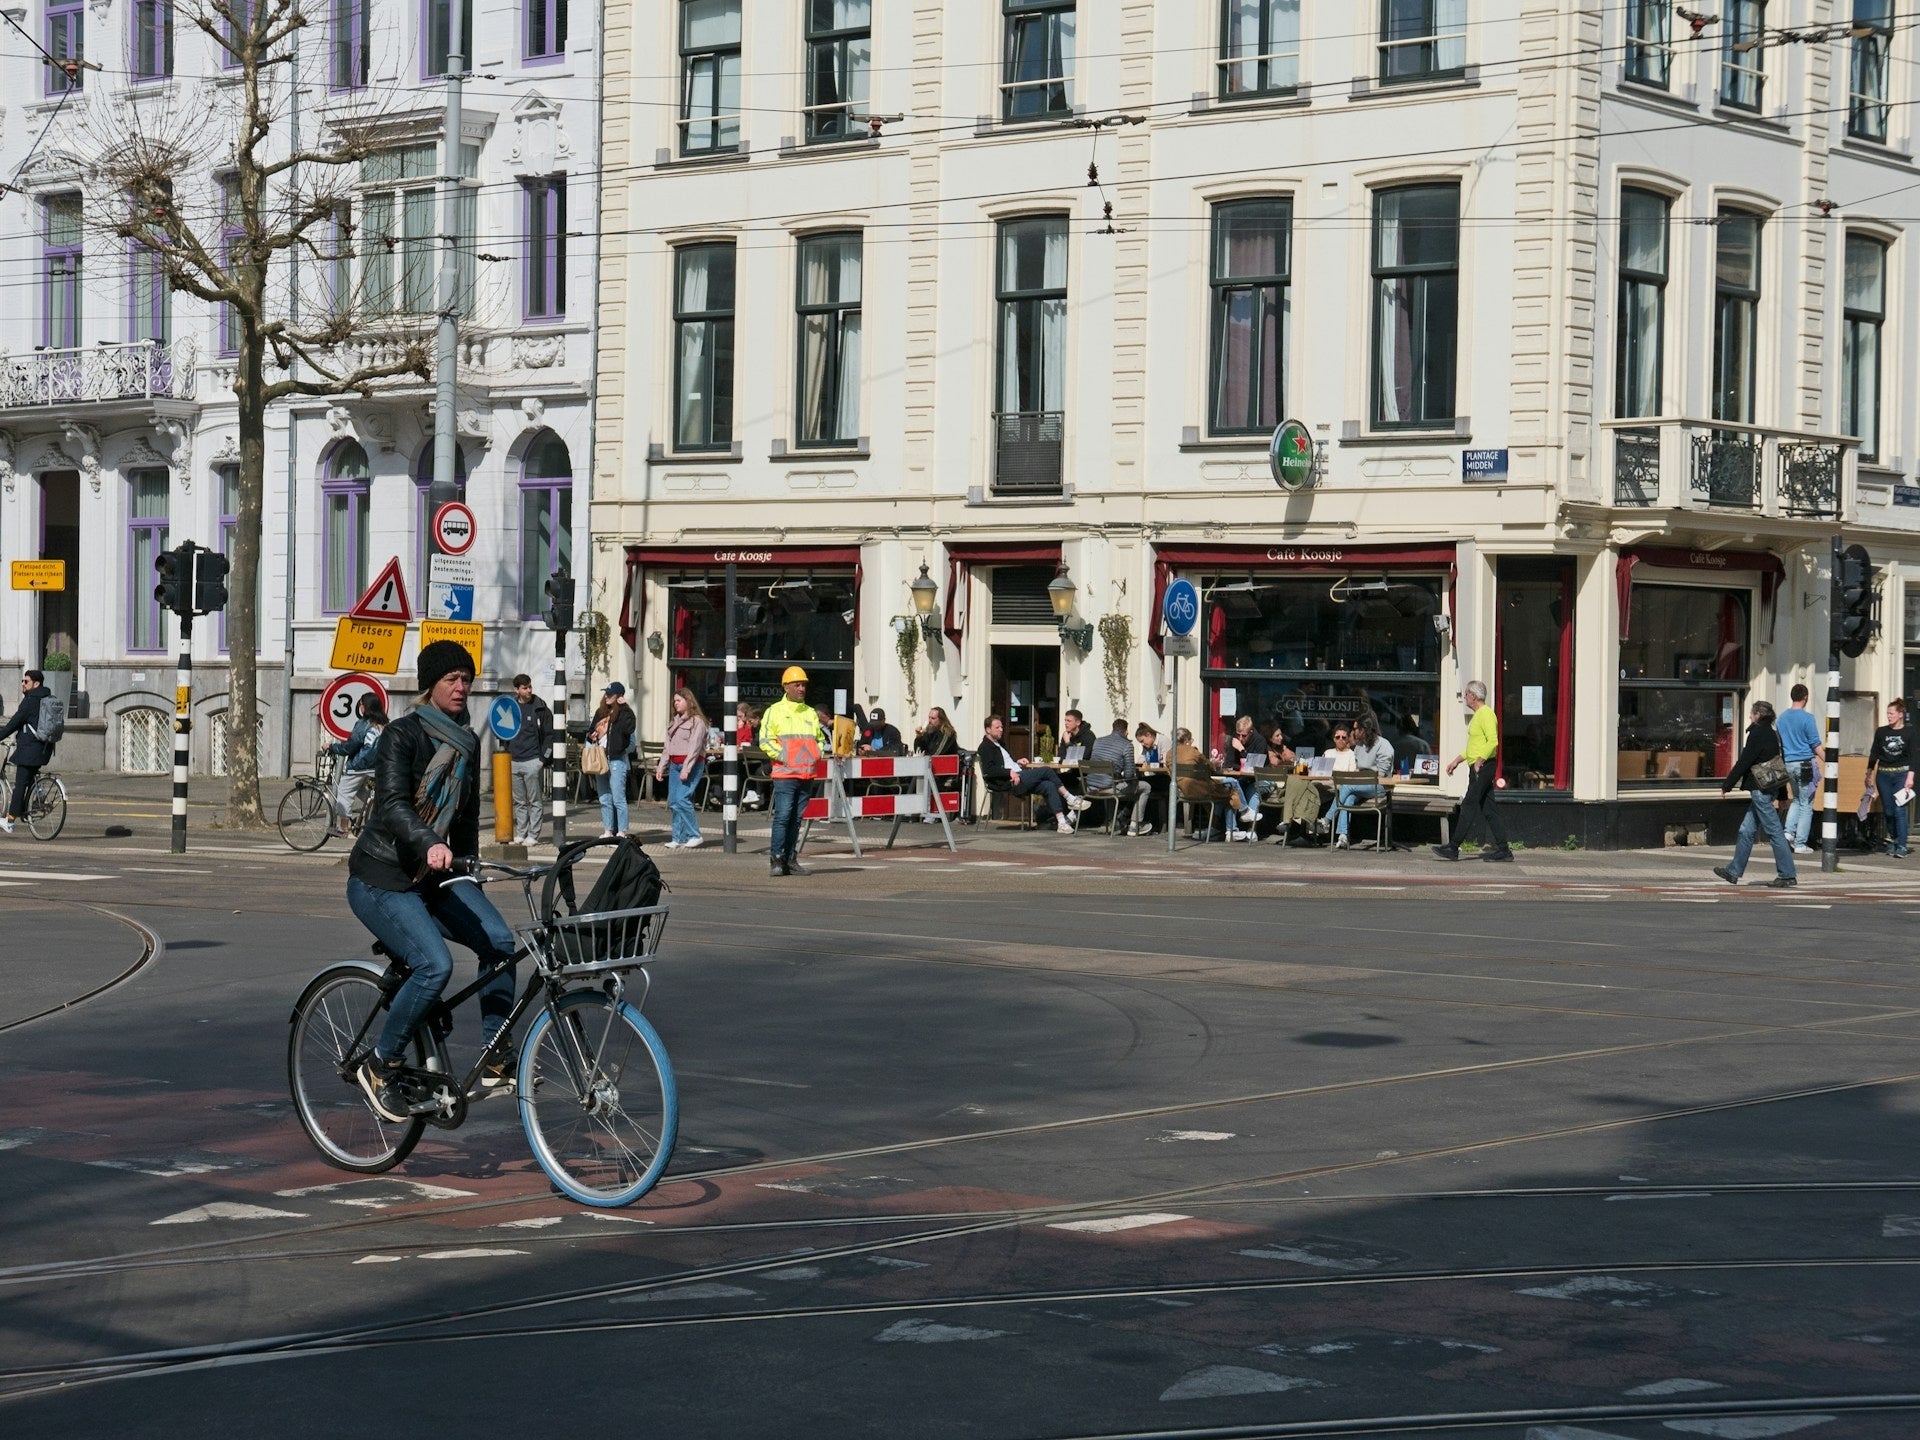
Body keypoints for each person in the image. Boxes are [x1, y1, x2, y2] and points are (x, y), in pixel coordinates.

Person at [346, 640, 519, 1120]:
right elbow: (394, 805)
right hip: (383, 878)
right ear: (431, 685)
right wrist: (429, 843)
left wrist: (473, 872)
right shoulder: (402, 734)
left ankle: (495, 1059)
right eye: (452, 679)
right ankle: (382, 1064)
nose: (462, 687)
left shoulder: (467, 739)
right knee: (434, 965)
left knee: (500, 941)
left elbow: (463, 820)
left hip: (437, 874)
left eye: (467, 679)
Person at [1714, 699, 1798, 888]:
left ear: (1758, 715)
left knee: (1775, 832)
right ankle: (1733, 871)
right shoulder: (1774, 735)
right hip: (1771, 789)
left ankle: (1787, 874)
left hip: (1760, 791)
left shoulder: (1757, 733)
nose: (1750, 716)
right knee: (1746, 830)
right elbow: (1778, 766)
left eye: (1751, 713)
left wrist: (1727, 785)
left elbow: (1744, 762)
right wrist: (1783, 795)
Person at [1434, 680, 1512, 862]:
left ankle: (1453, 847)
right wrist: (1457, 761)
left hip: (1483, 768)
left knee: (1469, 804)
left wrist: (1480, 761)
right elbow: (1473, 747)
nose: (1465, 697)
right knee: (1489, 809)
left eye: (1466, 694)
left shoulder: (1486, 714)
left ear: (1474, 696)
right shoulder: (1479, 715)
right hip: (1479, 766)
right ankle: (1504, 850)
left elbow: (1493, 742)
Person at [760, 665, 827, 877]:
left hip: (806, 774)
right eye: (797, 685)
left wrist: (817, 754)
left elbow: (820, 739)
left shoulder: (810, 713)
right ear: (786, 687)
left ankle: (790, 859)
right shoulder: (774, 712)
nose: (801, 688)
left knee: (796, 819)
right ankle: (777, 860)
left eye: (804, 685)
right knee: (783, 816)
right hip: (785, 774)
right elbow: (765, 741)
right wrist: (785, 757)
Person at [977, 714, 1090, 835]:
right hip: (1008, 781)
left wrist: (1017, 762)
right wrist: (1009, 772)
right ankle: (1070, 798)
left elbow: (1006, 762)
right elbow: (989, 770)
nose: (1001, 729)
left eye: (1002, 727)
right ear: (988, 730)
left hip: (1019, 775)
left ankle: (1062, 823)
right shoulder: (985, 747)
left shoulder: (1001, 744)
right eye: (997, 727)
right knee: (1046, 770)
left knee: (1049, 785)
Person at [1325, 709, 1396, 851]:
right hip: (1361, 785)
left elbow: (1382, 775)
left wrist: (1360, 780)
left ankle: (1327, 819)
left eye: (1356, 728)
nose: (1353, 731)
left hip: (1380, 787)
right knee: (1349, 798)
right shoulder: (1359, 746)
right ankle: (1343, 836)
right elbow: (1358, 769)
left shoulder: (1384, 745)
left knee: (1346, 786)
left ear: (1364, 729)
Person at [1172, 727, 1258, 841]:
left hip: (1182, 791)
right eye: (1191, 739)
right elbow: (1209, 766)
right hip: (1202, 789)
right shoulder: (1193, 752)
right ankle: (1242, 815)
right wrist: (1214, 763)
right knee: (1232, 783)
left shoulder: (1170, 754)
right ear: (1187, 740)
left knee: (1228, 790)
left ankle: (1219, 829)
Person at [0, 670, 56, 835]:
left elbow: (14, 723)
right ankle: (36, 798)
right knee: (29, 779)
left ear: (36, 684)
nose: (23, 684)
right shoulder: (47, 699)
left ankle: (9, 821)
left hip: (29, 750)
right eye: (22, 681)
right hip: (44, 749)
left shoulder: (30, 701)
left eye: (26, 681)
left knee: (20, 785)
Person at [657, 687, 710, 850]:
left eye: (678, 700)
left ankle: (694, 834)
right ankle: (678, 837)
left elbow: (694, 748)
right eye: (674, 701)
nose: (675, 704)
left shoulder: (697, 722)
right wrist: (661, 766)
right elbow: (668, 747)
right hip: (674, 764)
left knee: (682, 799)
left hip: (691, 765)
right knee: (674, 801)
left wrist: (687, 768)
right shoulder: (674, 722)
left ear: (688, 701)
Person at [327, 696, 387, 834]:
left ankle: (343, 827)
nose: (360, 707)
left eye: (360, 704)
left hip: (361, 766)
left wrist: (332, 747)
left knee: (344, 792)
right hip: (378, 766)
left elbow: (349, 747)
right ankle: (372, 809)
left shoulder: (363, 724)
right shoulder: (384, 723)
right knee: (362, 791)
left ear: (365, 706)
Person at [506, 673, 553, 846]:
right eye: (525, 688)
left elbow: (550, 735)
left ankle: (533, 835)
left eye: (530, 687)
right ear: (517, 690)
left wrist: (542, 759)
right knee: (519, 800)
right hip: (514, 759)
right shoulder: (510, 707)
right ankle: (521, 832)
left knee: (534, 800)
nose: (529, 690)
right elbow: (502, 730)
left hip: (533, 760)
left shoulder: (540, 708)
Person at [1864, 697, 1914, 858]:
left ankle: (1902, 845)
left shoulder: (1909, 732)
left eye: (1892, 713)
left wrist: (1910, 777)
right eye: (1888, 713)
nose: (1889, 716)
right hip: (1883, 775)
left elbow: (1914, 757)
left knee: (1900, 810)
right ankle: (1894, 839)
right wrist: (1869, 773)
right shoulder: (1882, 732)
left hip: (1901, 774)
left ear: (1900, 714)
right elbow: (1874, 753)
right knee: (1889, 811)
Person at [1778, 682, 1822, 855]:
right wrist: (1830, 761)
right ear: (1805, 697)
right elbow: (1815, 745)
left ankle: (1788, 833)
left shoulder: (1782, 718)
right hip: (1805, 763)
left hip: (1789, 763)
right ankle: (1801, 843)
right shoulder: (1808, 718)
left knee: (1796, 799)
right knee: (1807, 804)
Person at [587, 682, 636, 838]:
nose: (607, 696)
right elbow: (590, 730)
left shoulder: (623, 714)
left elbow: (630, 728)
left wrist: (626, 708)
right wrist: (592, 735)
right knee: (604, 797)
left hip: (616, 759)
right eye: (606, 693)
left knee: (618, 797)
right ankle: (608, 830)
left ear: (619, 696)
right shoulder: (600, 712)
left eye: (611, 694)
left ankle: (621, 830)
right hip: (600, 758)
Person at [1088, 718, 1153, 835]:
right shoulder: (1127, 745)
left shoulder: (1098, 741)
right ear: (1126, 731)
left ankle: (1112, 823)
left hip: (1090, 787)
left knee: (1109, 781)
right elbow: (1128, 775)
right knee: (1146, 786)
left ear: (1113, 729)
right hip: (1109, 788)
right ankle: (1135, 825)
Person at [735, 702, 764, 809]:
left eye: (741, 716)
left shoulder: (751, 727)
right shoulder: (748, 726)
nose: (740, 719)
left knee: (742, 768)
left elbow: (752, 741)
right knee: (739, 767)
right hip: (750, 757)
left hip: (758, 758)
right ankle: (749, 794)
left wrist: (742, 728)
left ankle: (754, 794)